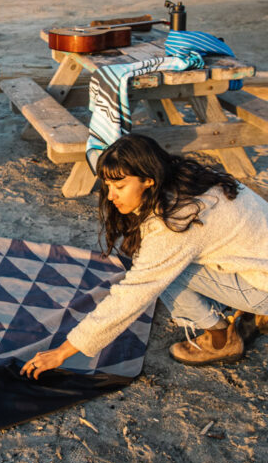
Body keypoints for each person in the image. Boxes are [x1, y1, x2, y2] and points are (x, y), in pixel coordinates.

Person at [22, 134, 268, 378]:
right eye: (107, 186)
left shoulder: (176, 222)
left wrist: (63, 351)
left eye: (119, 187)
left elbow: (133, 295)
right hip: (259, 262)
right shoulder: (190, 180)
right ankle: (253, 310)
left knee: (164, 273)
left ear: (148, 180)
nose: (110, 196)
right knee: (161, 263)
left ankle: (221, 338)